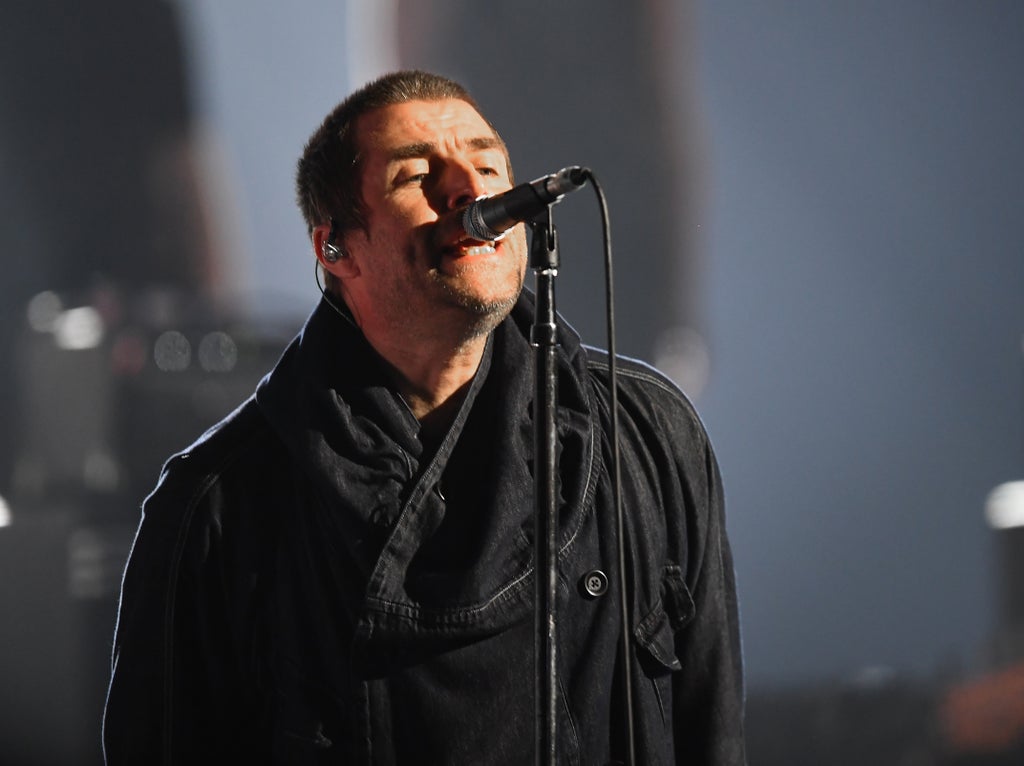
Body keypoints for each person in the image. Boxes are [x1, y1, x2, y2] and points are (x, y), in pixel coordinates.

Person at [102, 70, 746, 765]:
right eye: (416, 176)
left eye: (488, 167)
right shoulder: (217, 509)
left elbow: (711, 732)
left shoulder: (649, 435)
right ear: (335, 248)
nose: (470, 190)